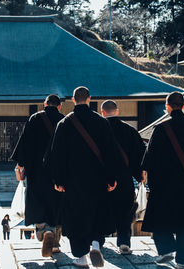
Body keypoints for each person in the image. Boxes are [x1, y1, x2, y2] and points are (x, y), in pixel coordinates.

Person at [50, 86, 125, 268]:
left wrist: (58, 181)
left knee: (76, 217)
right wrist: (111, 178)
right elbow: (111, 153)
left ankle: (81, 257)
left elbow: (57, 155)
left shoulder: (65, 124)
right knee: (97, 212)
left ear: (73, 100)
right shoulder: (102, 122)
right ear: (89, 99)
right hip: (97, 179)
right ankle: (96, 245)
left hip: (73, 181)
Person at [141, 91, 184, 269]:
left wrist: (152, 182)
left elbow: (149, 159)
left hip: (164, 185)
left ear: (167, 107)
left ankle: (166, 249)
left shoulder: (161, 129)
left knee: (160, 220)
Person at [11, 94, 65, 257]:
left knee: (38, 201)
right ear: (60, 106)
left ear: (44, 104)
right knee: (57, 204)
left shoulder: (35, 119)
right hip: (57, 172)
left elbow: (25, 143)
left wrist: (20, 164)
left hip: (36, 171)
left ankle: (42, 230)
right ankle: (55, 242)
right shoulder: (64, 120)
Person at [101, 100, 146, 255]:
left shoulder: (97, 130)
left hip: (102, 179)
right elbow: (140, 154)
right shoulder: (129, 130)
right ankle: (124, 242)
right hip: (124, 179)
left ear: (102, 112)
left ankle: (99, 240)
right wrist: (139, 173)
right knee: (125, 211)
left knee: (102, 209)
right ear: (117, 111)